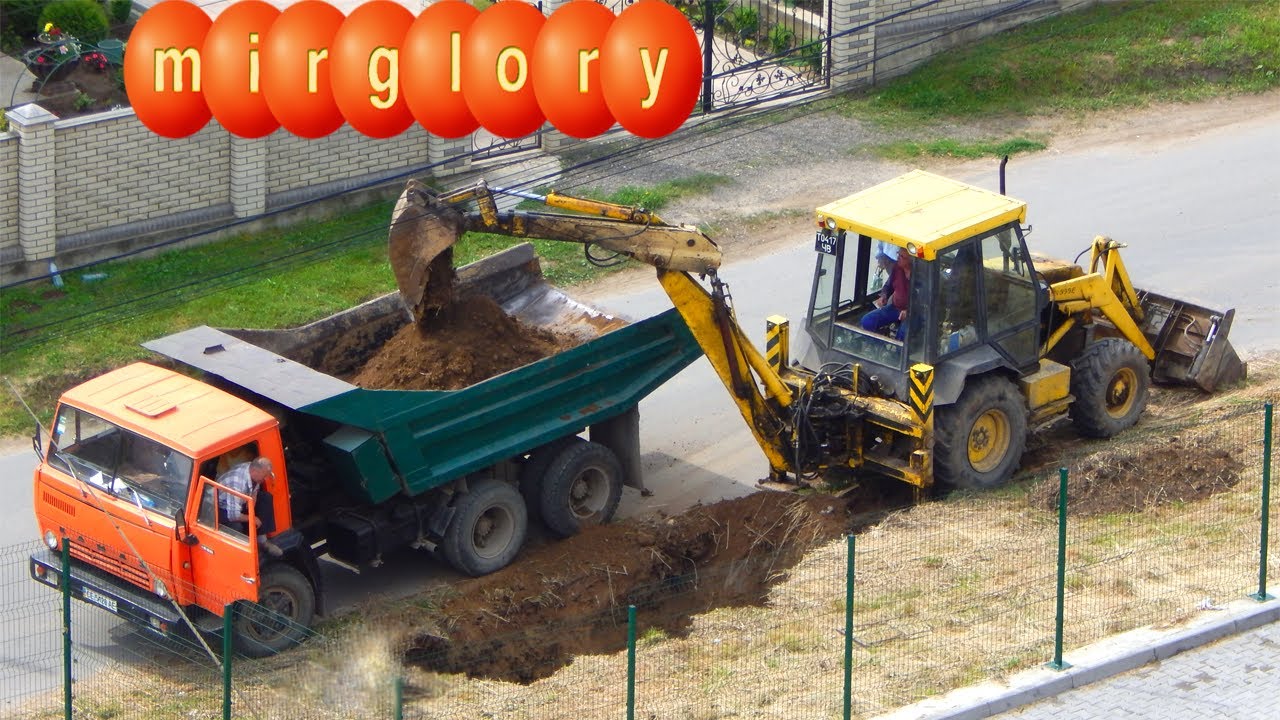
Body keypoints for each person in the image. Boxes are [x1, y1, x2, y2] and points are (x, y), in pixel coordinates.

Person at [219, 456, 283, 558]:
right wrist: (252, 518)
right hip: (222, 508)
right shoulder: (237, 483)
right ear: (254, 471)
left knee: (265, 498)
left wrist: (252, 508)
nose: (265, 478)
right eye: (264, 475)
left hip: (241, 500)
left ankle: (262, 542)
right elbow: (233, 515)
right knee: (237, 527)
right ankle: (246, 554)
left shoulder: (252, 471)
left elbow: (255, 491)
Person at [861, 245, 911, 339]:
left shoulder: (921, 275)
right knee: (867, 321)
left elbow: (923, 302)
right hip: (895, 308)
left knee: (902, 335)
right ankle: (881, 348)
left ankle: (898, 352)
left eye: (902, 257)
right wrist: (884, 296)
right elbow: (888, 285)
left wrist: (909, 311)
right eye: (898, 254)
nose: (898, 258)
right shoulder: (897, 268)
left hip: (914, 314)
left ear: (911, 260)